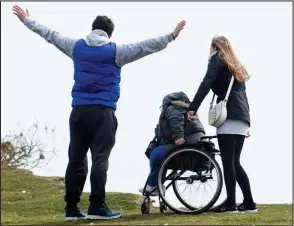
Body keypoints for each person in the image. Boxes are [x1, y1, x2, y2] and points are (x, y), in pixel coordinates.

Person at [12, 5, 186, 221]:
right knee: (100, 159)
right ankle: (96, 206)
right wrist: (171, 36)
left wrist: (27, 21)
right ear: (109, 33)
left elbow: (50, 35)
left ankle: (72, 209)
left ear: (92, 29)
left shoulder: (76, 47)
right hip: (103, 113)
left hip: (78, 112)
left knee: (75, 159)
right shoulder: (116, 51)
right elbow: (146, 47)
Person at [188, 36, 257, 213]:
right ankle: (249, 203)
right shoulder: (237, 67)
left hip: (227, 116)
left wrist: (192, 108)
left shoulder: (217, 60)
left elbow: (206, 84)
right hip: (241, 118)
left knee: (228, 162)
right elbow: (243, 96)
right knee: (235, 163)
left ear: (214, 47)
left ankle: (231, 203)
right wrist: (247, 122)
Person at [139, 92, 206, 195]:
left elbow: (176, 119)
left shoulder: (174, 108)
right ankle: (157, 184)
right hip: (196, 142)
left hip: (186, 143)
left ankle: (153, 185)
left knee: (155, 154)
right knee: (161, 154)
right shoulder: (189, 110)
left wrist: (179, 136)